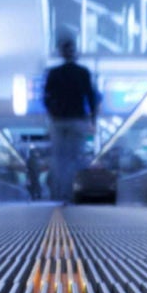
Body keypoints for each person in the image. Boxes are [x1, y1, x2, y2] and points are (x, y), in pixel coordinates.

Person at [41, 36, 99, 203]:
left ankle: (61, 193)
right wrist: (93, 121)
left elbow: (45, 97)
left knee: (60, 158)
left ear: (61, 53)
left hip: (58, 121)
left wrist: (52, 112)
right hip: (78, 120)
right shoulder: (83, 72)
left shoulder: (53, 73)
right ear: (75, 53)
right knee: (76, 157)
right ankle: (73, 192)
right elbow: (91, 98)